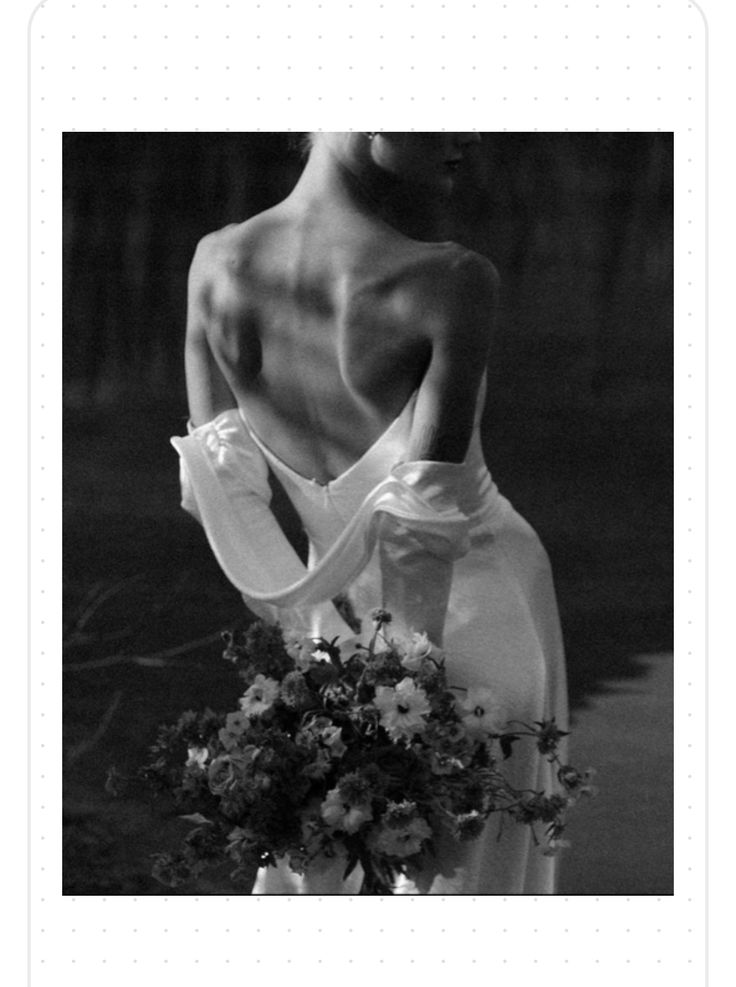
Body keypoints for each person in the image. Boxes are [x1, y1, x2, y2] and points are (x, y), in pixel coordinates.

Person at [171, 132, 568, 894]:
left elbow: (221, 498)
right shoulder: (452, 279)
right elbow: (424, 527)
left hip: (325, 648)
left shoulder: (215, 265)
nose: (470, 135)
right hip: (478, 634)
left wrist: (316, 663)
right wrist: (408, 721)